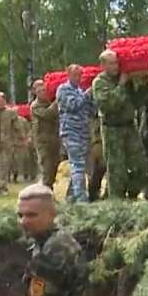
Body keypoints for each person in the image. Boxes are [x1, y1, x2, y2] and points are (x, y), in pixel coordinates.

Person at [92, 50, 147, 199]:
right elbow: (109, 105)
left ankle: (132, 194)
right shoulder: (99, 82)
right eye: (111, 63)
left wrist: (141, 84)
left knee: (140, 165)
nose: (115, 66)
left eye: (116, 62)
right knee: (117, 170)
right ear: (103, 65)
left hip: (129, 127)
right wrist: (122, 85)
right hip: (112, 129)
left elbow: (138, 102)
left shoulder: (126, 80)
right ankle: (117, 202)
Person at [56, 65, 94, 203]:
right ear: (69, 75)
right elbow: (73, 105)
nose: (78, 78)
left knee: (79, 165)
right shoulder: (63, 89)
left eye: (80, 75)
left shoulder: (79, 90)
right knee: (77, 164)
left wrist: (91, 100)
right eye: (76, 75)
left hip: (82, 132)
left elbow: (88, 110)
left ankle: (72, 196)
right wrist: (87, 95)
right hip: (71, 132)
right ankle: (81, 197)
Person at [30, 80, 62, 188]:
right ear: (35, 92)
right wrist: (58, 101)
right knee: (46, 168)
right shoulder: (35, 106)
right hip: (43, 142)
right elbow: (48, 114)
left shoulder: (49, 102)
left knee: (55, 169)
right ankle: (45, 192)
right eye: (39, 91)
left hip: (54, 140)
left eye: (44, 90)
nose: (42, 92)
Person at [86, 114, 106, 202]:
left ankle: (93, 194)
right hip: (98, 140)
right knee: (99, 168)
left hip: (96, 140)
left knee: (98, 169)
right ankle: (93, 195)